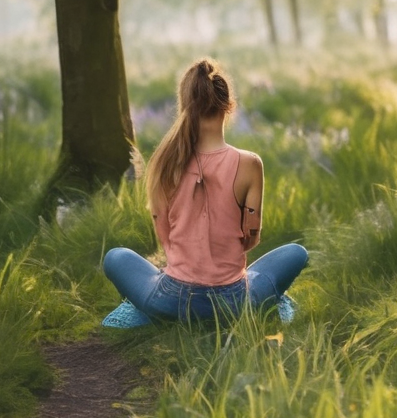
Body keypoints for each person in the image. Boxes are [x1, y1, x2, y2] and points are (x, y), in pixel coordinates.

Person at [103, 58, 307, 324]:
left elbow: (164, 238)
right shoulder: (250, 164)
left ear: (185, 106)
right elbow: (251, 238)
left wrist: (188, 259)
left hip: (170, 300)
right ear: (229, 107)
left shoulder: (165, 162)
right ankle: (271, 304)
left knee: (115, 257)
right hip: (233, 304)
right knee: (296, 253)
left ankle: (149, 314)